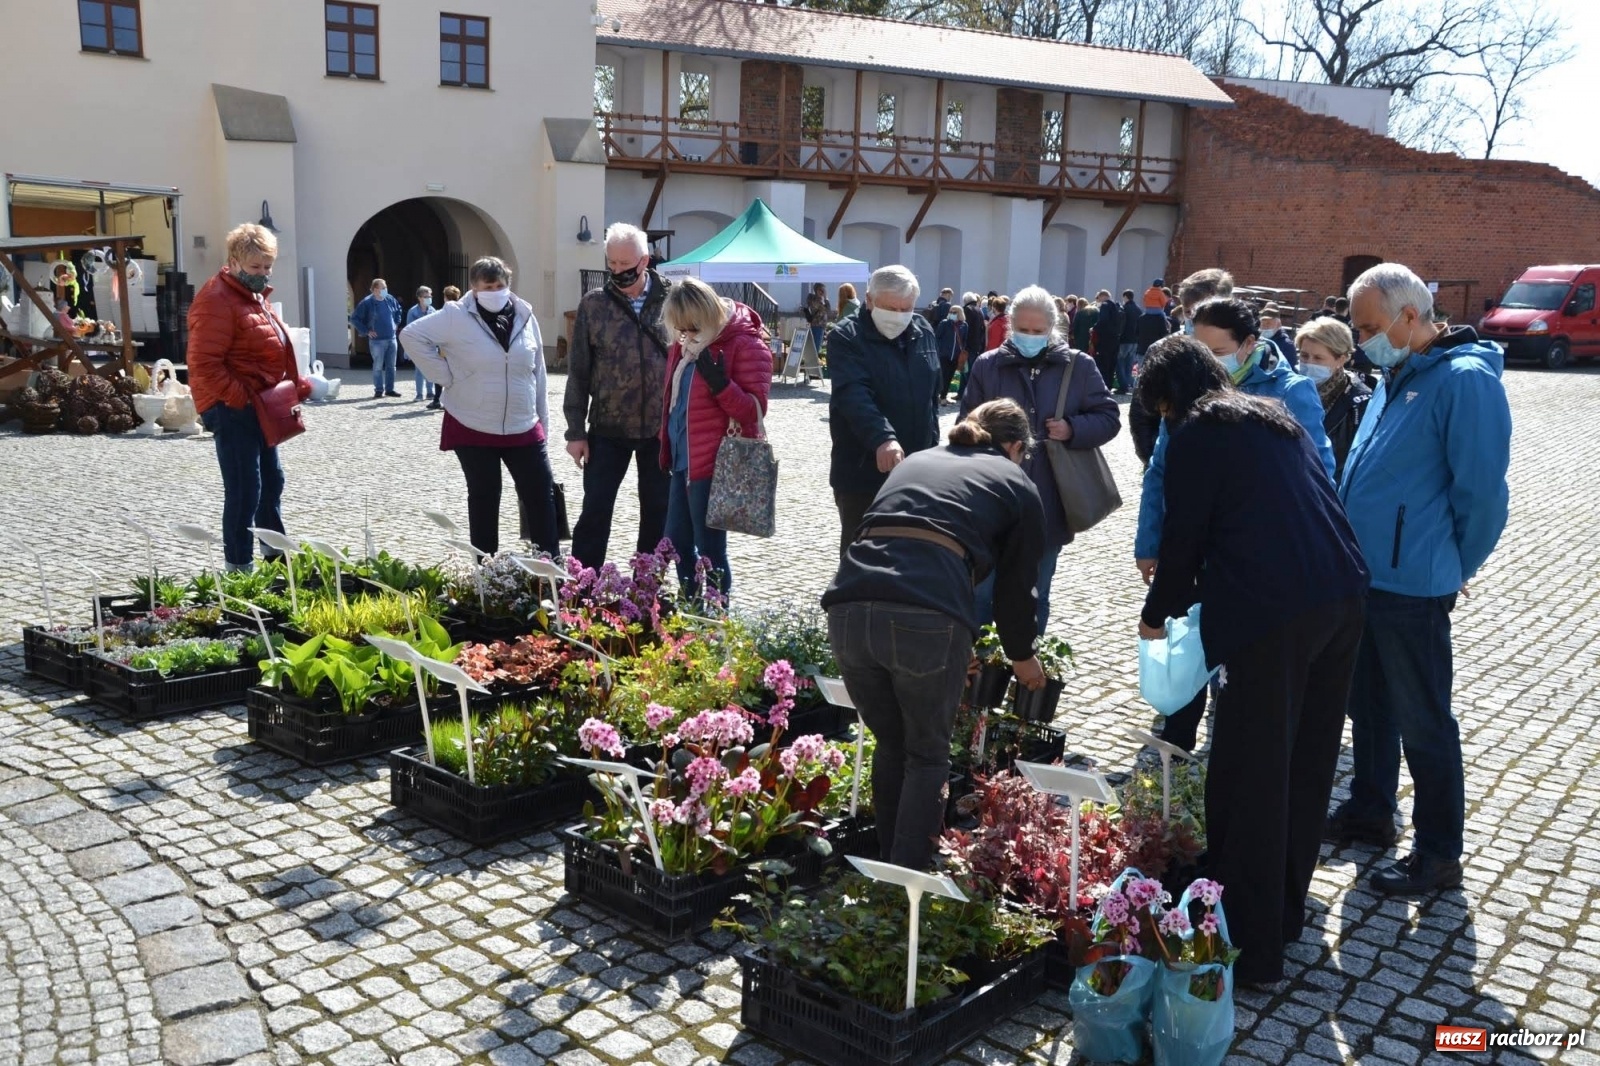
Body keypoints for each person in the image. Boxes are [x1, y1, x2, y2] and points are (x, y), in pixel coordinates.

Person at [1136, 335, 1369, 987]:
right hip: (1343, 596)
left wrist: (1157, 616)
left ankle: (1250, 946)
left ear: (1170, 399)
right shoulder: (1273, 419)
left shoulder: (1197, 435)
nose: (1162, 423)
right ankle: (1286, 915)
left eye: (1160, 411)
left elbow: (1182, 542)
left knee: (1249, 775)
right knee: (1305, 765)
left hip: (1275, 617)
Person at [1326, 263, 1512, 896]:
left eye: (1370, 326)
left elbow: (1482, 492)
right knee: (1368, 708)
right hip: (1366, 577)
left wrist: (1456, 566)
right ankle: (1370, 812)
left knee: (1424, 719)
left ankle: (1437, 852)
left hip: (1413, 585)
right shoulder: (1394, 371)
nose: (1362, 339)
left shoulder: (1463, 381)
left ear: (1410, 316)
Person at [823, 399, 1048, 869]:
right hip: (924, 617)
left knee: (892, 743)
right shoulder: (1017, 482)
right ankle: (908, 884)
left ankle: (887, 867)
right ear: (1015, 446)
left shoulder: (921, 457)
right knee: (926, 755)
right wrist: (1022, 658)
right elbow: (1015, 591)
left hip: (847, 607)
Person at [1137, 297, 1335, 752]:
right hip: (1195, 545)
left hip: (1257, 560)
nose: (1206, 359)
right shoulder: (1187, 393)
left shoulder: (1288, 392)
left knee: (1243, 665)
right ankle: (1178, 734)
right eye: (1197, 346)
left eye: (1215, 349)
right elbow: (1162, 471)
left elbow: (1318, 474)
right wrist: (1150, 542)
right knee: (1187, 637)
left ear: (1248, 344)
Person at [960, 285, 1120, 632]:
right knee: (980, 595)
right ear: (1010, 325)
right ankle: (979, 675)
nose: (1030, 337)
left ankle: (1027, 674)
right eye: (1023, 330)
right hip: (992, 502)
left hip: (1049, 504)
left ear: (1053, 328)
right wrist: (990, 441)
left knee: (1033, 595)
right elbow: (965, 423)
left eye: (1038, 331)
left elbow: (1109, 418)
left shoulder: (1079, 366)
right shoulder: (988, 366)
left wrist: (1072, 429)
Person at [401, 256, 557, 556]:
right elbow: (411, 335)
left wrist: (543, 423)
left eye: (500, 286)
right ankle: (485, 572)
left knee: (541, 493)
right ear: (474, 287)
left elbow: (538, 370)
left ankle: (548, 568)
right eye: (488, 286)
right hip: (472, 422)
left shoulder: (525, 315)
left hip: (522, 423)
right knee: (485, 497)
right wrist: (445, 375)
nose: (495, 291)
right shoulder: (454, 316)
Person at [187, 223, 310, 572]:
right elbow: (203, 363)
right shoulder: (216, 299)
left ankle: (275, 556)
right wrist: (241, 397)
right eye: (256, 267)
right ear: (234, 262)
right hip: (233, 407)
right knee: (245, 489)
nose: (263, 273)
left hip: (259, 403)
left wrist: (293, 383)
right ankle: (239, 568)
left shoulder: (251, 295)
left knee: (271, 482)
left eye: (268, 266)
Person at [565, 222, 673, 569]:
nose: (617, 272)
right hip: (607, 427)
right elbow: (579, 370)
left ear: (644, 261)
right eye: (611, 264)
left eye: (624, 266)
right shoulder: (593, 304)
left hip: (661, 430)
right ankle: (582, 590)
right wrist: (575, 432)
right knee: (595, 510)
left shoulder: (673, 299)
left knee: (658, 513)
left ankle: (648, 590)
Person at [656, 277, 771, 600]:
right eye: (681, 330)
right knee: (677, 542)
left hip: (716, 463)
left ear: (708, 315)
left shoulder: (746, 344)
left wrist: (721, 385)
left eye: (692, 328)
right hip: (683, 458)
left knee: (710, 549)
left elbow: (754, 411)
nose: (686, 336)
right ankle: (693, 609)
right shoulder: (687, 343)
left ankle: (718, 617)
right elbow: (675, 401)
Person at [827, 265, 941, 555]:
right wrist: (882, 438)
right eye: (892, 308)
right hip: (863, 470)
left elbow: (931, 396)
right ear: (869, 300)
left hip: (917, 469)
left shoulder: (923, 331)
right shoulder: (846, 336)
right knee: (862, 556)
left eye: (907, 308)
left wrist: (934, 444)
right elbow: (853, 394)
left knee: (910, 555)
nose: (900, 316)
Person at [1294, 317, 1370, 482]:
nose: (1309, 363)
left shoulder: (1358, 402)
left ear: (1341, 359)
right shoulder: (1288, 390)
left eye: (1318, 358)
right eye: (1304, 355)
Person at [350, 278, 403, 399]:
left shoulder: (390, 299)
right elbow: (354, 318)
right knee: (378, 366)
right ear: (375, 290)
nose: (386, 290)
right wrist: (366, 331)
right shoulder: (367, 303)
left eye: (386, 287)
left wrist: (396, 323)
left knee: (391, 366)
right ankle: (379, 390)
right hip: (377, 341)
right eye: (383, 288)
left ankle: (390, 389)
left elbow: (398, 311)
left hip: (392, 338)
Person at [405, 286, 438, 402]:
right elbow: (408, 330)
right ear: (419, 298)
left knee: (430, 368)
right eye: (426, 296)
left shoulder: (433, 311)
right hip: (418, 344)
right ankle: (419, 394)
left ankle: (430, 392)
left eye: (430, 296)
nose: (429, 298)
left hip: (430, 344)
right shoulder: (413, 312)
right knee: (419, 370)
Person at [934, 301, 965, 404]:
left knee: (950, 376)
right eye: (951, 311)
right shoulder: (944, 323)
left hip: (955, 356)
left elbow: (964, 340)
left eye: (955, 312)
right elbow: (937, 337)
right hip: (944, 355)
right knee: (942, 376)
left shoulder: (964, 325)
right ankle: (938, 396)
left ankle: (943, 396)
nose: (952, 313)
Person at [1093, 288, 1123, 391]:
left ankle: (1103, 385)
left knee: (1103, 363)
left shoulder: (1105, 305)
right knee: (1111, 363)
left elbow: (1103, 320)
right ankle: (1109, 384)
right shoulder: (1117, 307)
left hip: (1105, 339)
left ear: (1102, 297)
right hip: (1115, 339)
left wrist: (1094, 328)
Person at [1117, 289, 1140, 396]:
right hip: (1135, 340)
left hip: (1125, 340)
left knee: (1120, 362)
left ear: (1125, 297)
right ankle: (1130, 383)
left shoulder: (1124, 309)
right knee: (1129, 364)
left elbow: (1121, 325)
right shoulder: (1138, 309)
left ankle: (1123, 386)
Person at [805, 282, 831, 356]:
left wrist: (825, 298)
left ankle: (813, 360)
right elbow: (823, 309)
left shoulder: (823, 300)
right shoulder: (813, 299)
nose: (822, 292)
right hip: (816, 325)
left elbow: (828, 311)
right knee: (815, 347)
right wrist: (824, 298)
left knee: (817, 346)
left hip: (821, 326)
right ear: (816, 290)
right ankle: (813, 363)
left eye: (823, 290)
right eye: (820, 290)